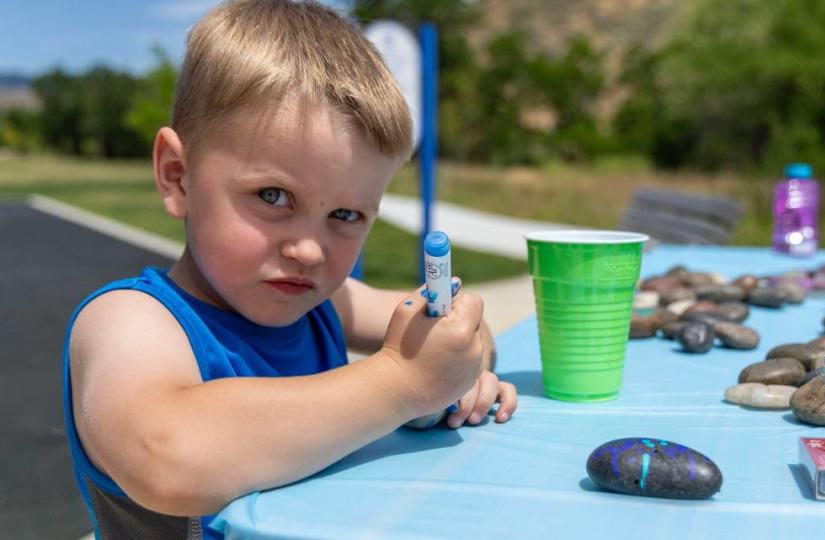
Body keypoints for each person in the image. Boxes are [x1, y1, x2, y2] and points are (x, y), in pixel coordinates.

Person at [62, 1, 517, 537]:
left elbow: (468, 332)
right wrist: (402, 383)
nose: (308, 250)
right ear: (178, 176)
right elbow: (164, 454)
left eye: (345, 215)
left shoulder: (327, 302)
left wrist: (453, 374)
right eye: (272, 196)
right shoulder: (130, 321)